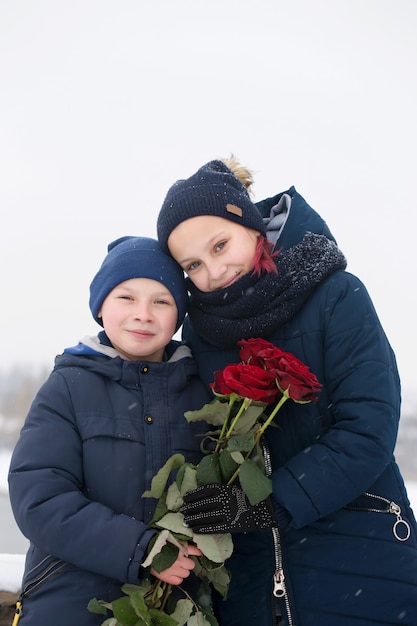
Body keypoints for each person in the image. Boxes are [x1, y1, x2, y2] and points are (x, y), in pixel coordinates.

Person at [156, 158, 417, 626]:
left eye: (220, 245)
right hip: (251, 589)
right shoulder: (200, 335)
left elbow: (368, 429)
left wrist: (270, 504)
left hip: (358, 560)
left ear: (251, 225)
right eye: (193, 264)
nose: (214, 271)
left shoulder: (335, 295)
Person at [8, 236, 212, 625]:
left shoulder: (202, 394)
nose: (143, 314)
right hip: (69, 607)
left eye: (162, 301)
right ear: (101, 306)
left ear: (179, 316)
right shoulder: (68, 387)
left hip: (175, 609)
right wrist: (142, 549)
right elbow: (39, 499)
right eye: (126, 298)